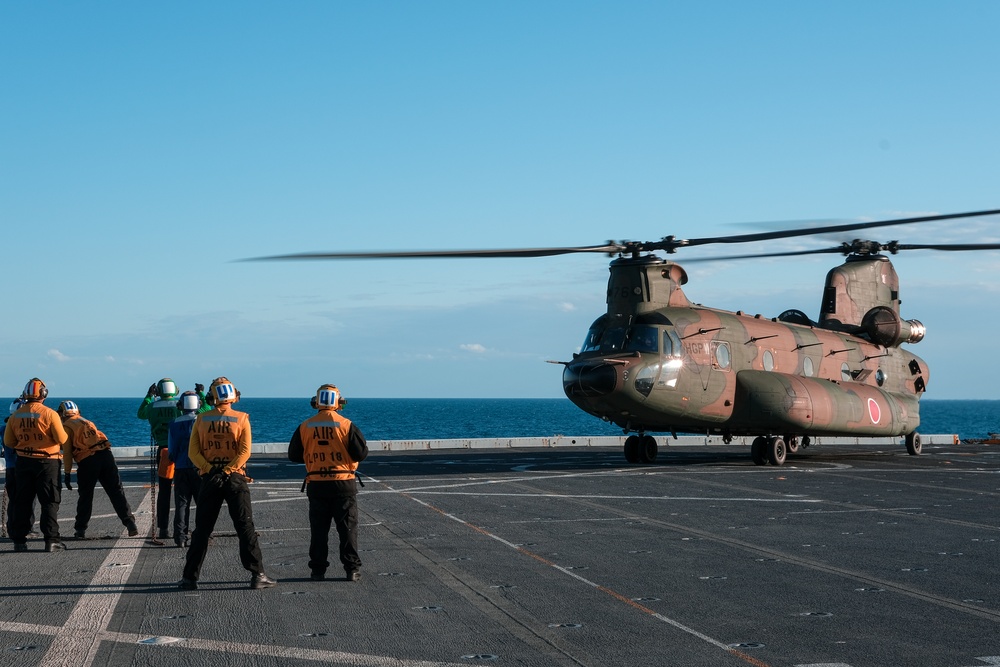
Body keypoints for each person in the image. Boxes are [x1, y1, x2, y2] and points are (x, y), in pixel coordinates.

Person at [178, 377, 276, 590]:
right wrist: (228, 470)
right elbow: (245, 452)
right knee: (245, 526)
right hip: (235, 478)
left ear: (213, 397)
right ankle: (257, 574)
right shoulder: (242, 419)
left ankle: (189, 577)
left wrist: (212, 469)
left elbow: (193, 453)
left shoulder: (201, 420)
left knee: (202, 530)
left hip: (209, 477)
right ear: (233, 396)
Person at [288, 384, 368, 582]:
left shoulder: (305, 426)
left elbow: (294, 455)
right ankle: (352, 569)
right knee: (347, 529)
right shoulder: (346, 425)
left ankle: (317, 570)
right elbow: (361, 453)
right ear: (338, 402)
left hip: (316, 483)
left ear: (316, 402)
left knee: (318, 530)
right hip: (343, 483)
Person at [137, 378, 207, 540]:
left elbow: (141, 414)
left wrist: (148, 396)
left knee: (164, 491)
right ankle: (200, 529)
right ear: (175, 391)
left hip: (164, 451)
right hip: (188, 452)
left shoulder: (152, 406)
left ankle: (163, 529)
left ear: (158, 391)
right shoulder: (180, 405)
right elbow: (204, 410)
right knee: (195, 492)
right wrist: (201, 394)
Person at [4, 378, 68, 552]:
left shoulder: (15, 415)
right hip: (47, 462)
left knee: (22, 501)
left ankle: (19, 540)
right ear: (43, 394)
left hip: (23, 462)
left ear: (26, 394)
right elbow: (62, 439)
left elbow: (9, 441)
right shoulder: (50, 414)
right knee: (50, 502)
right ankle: (51, 540)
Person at [58, 401, 139, 539]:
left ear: (62, 413)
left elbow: (67, 452)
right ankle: (130, 523)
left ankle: (80, 529)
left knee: (86, 496)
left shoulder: (66, 426)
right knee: (116, 492)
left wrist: (66, 473)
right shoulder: (85, 421)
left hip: (88, 460)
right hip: (106, 456)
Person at [167, 391, 202, 548]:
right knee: (202, 503)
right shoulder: (202, 421)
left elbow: (171, 450)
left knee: (181, 504)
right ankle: (202, 535)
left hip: (180, 468)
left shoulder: (174, 423)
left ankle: (180, 537)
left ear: (181, 405)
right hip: (199, 468)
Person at [2, 399, 37, 538]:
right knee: (28, 499)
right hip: (24, 467)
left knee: (14, 500)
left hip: (10, 468)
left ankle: (12, 528)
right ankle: (27, 529)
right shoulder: (22, 428)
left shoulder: (3, 429)